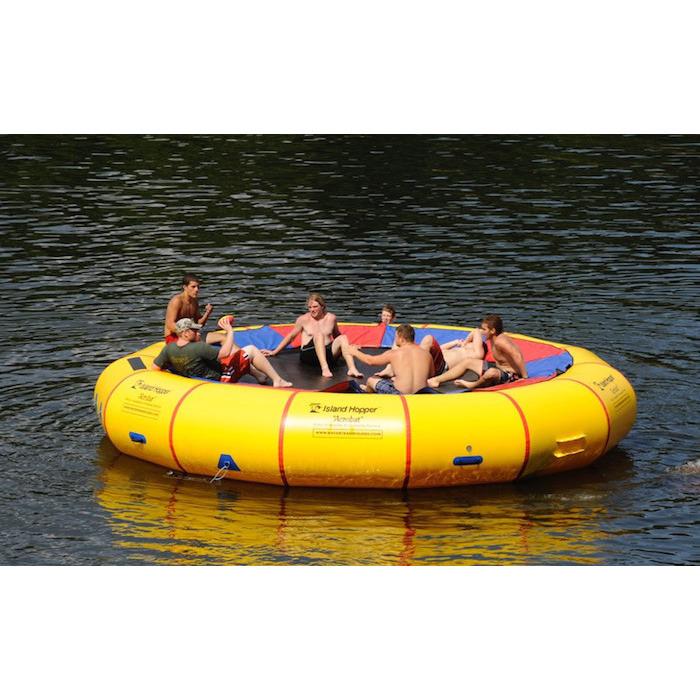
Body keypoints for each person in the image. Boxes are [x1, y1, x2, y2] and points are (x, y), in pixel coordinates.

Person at [152, 317, 292, 388]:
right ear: (186, 333)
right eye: (195, 331)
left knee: (237, 356)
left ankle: (260, 376)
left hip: (196, 378)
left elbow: (155, 368)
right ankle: (277, 380)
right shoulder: (198, 347)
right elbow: (224, 353)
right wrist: (230, 331)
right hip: (220, 379)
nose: (199, 332)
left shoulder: (168, 349)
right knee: (250, 350)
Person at [262, 293, 362, 379]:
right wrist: (274, 352)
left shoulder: (331, 318)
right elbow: (291, 336)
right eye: (310, 307)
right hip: (309, 355)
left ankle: (352, 369)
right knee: (319, 334)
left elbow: (337, 336)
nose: (312, 310)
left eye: (315, 307)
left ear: (322, 306)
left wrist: (349, 347)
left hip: (328, 353)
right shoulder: (303, 319)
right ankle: (325, 368)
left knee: (343, 337)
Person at [428, 314, 527, 390]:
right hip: (499, 368)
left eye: (484, 329)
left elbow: (517, 355)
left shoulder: (500, 342)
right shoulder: (495, 337)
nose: (482, 332)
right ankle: (436, 380)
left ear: (492, 331)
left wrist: (524, 377)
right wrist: (465, 342)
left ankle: (473, 385)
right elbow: (476, 331)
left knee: (491, 373)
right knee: (468, 362)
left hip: (510, 374)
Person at [347, 324, 432, 394]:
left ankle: (368, 392)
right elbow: (431, 374)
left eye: (395, 337)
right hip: (421, 395)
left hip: (399, 395)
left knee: (371, 380)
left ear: (401, 338)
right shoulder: (426, 354)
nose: (395, 339)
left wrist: (354, 352)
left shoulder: (395, 353)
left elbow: (370, 361)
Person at [163, 274, 214, 344]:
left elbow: (199, 324)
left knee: (222, 338)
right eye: (193, 287)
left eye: (198, 287)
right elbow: (170, 325)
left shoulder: (194, 301)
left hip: (189, 335)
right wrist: (187, 334)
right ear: (185, 287)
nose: (197, 290)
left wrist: (207, 313)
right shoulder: (177, 301)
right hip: (173, 337)